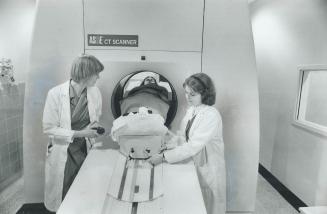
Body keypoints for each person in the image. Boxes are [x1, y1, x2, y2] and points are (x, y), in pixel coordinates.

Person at [147, 73, 226, 214]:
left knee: (208, 206)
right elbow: (182, 137)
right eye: (186, 93)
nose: (188, 97)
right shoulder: (192, 110)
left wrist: (164, 157)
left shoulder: (211, 115)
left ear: (205, 94)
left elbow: (192, 146)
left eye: (193, 94)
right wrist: (167, 145)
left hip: (208, 167)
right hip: (195, 162)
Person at [42, 54, 104, 212]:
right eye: (96, 73)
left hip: (84, 148)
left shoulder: (94, 92)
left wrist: (95, 127)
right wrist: (82, 133)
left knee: (84, 191)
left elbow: (96, 116)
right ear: (85, 73)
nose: (98, 77)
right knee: (64, 191)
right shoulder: (55, 94)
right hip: (64, 150)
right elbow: (49, 128)